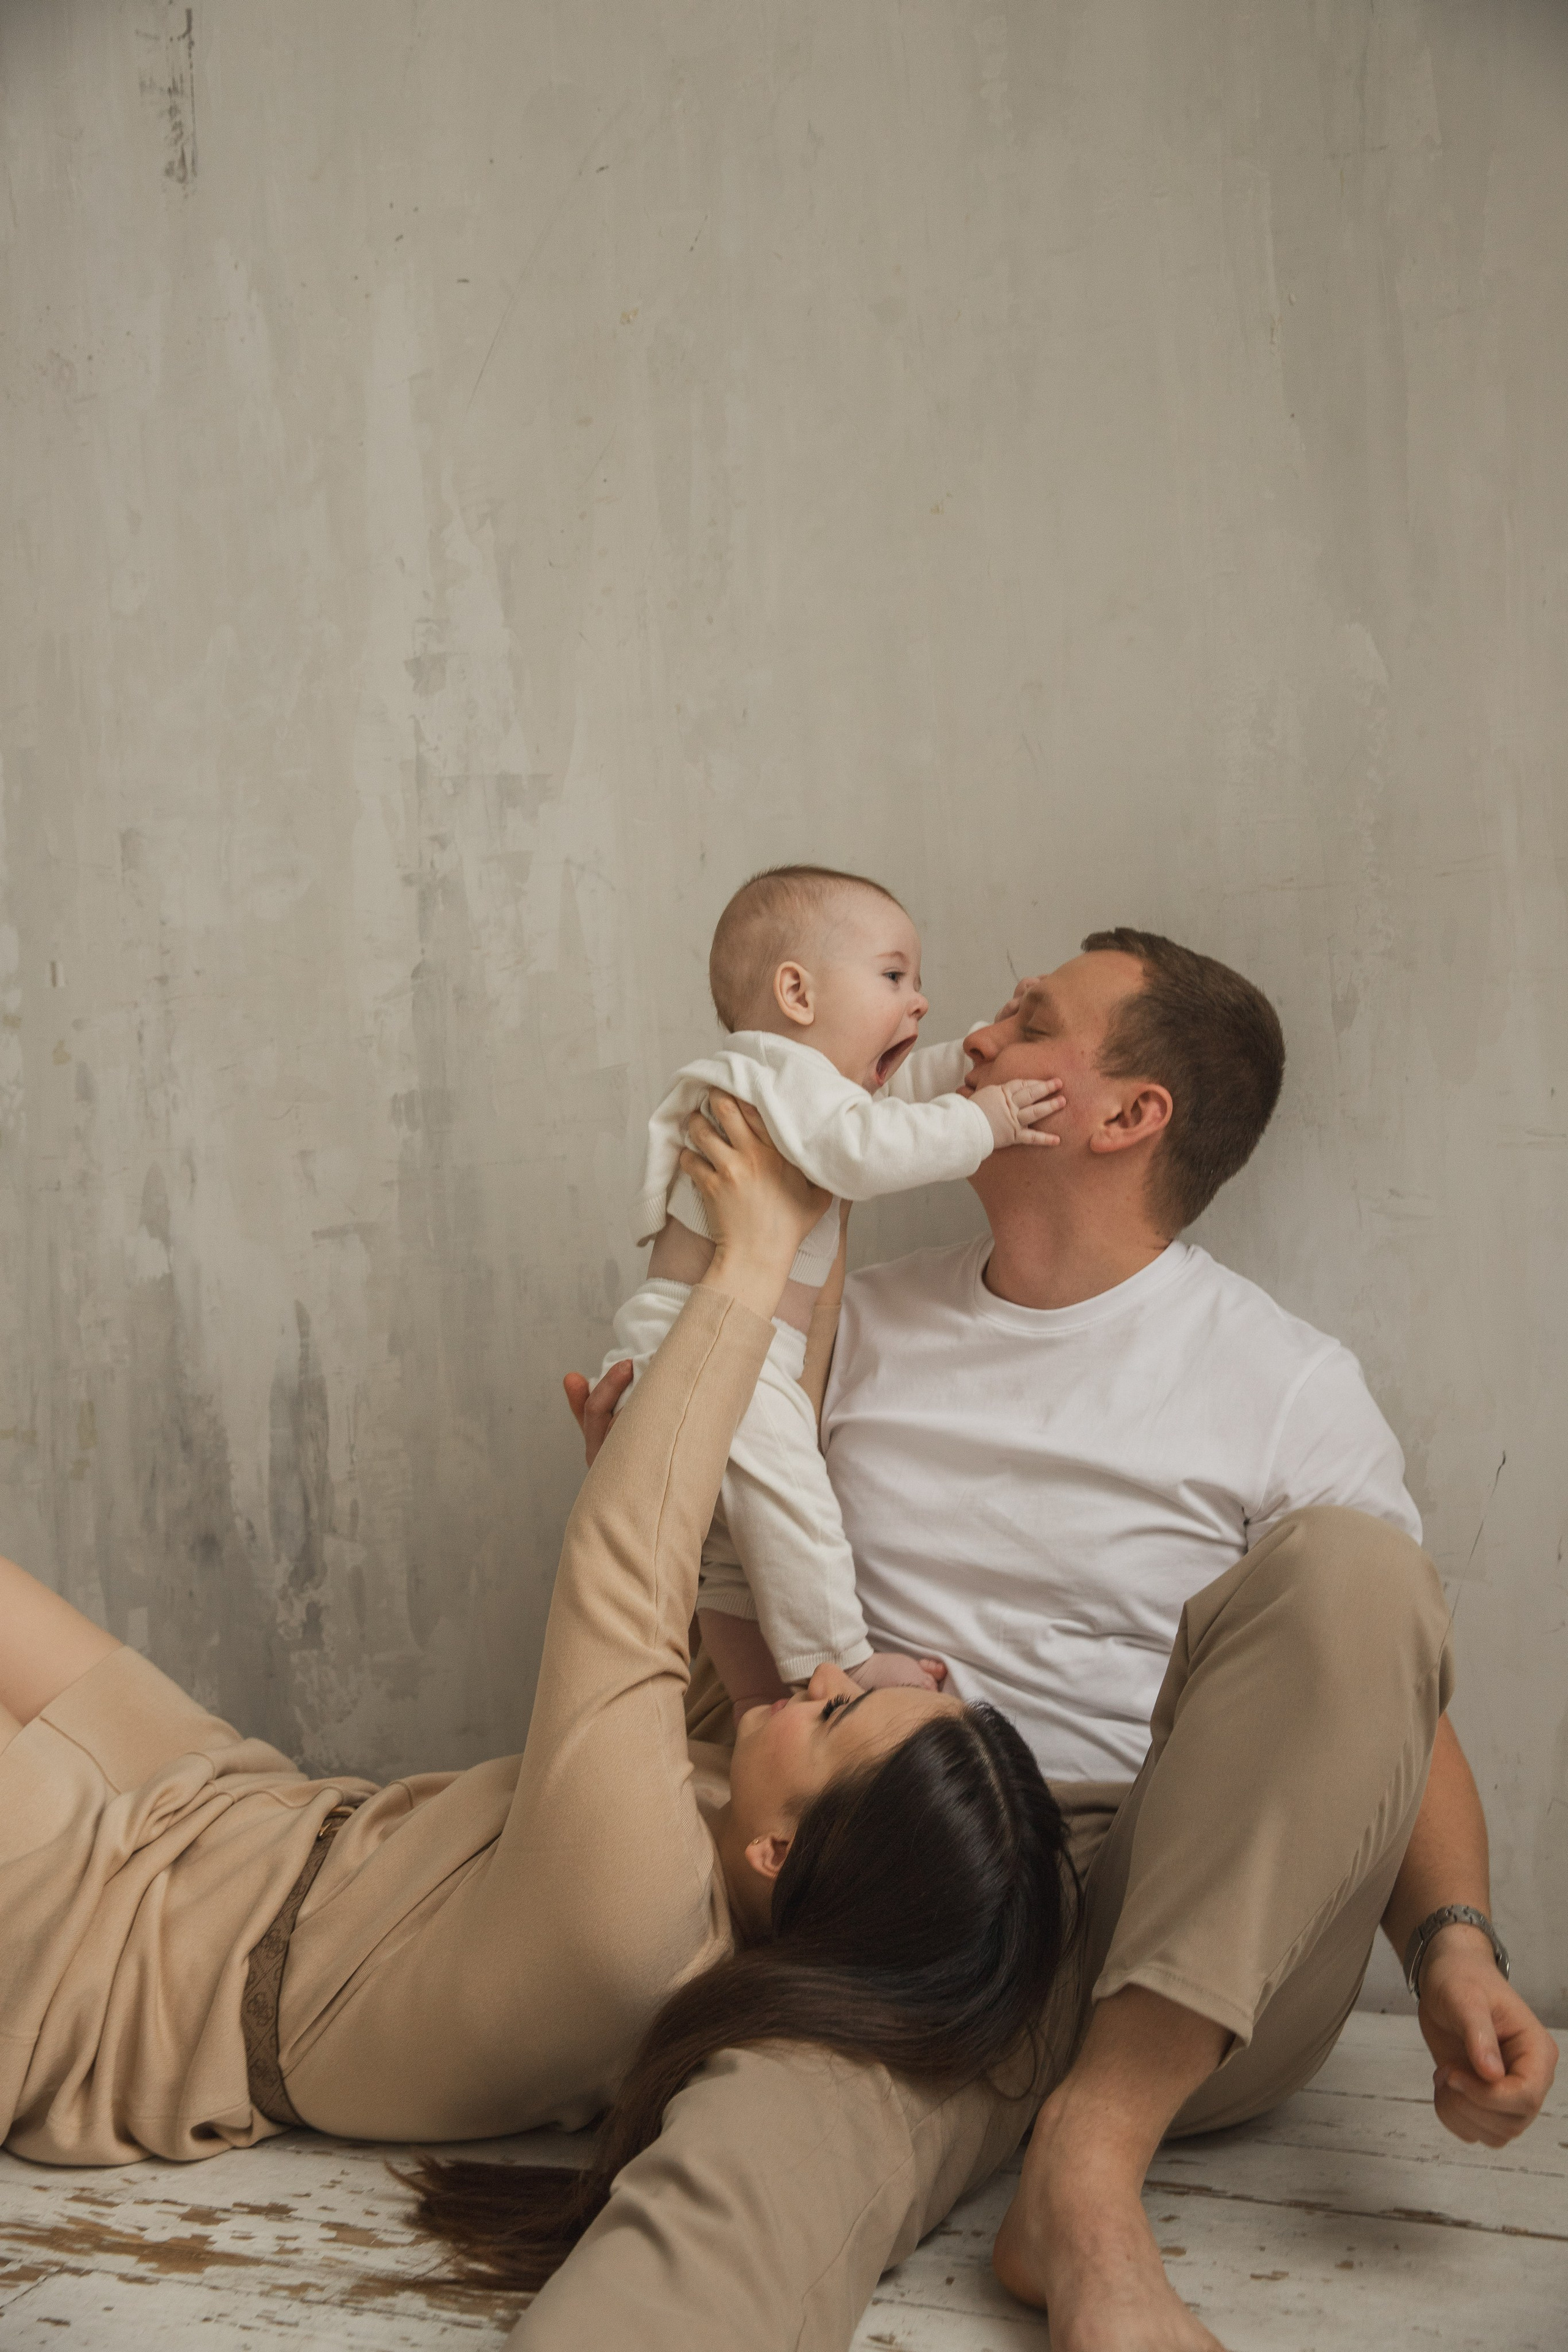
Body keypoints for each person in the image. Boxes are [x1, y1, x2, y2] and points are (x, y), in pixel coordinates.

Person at [535, 930, 1558, 2352]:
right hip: (918, 1906)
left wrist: (1450, 1945)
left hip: (1192, 1931)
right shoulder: (858, 1324)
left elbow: (1376, 1698)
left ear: (1127, 1116)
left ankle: (1087, 2170)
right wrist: (644, 1465)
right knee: (737, 2163)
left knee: (1359, 1576)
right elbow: (747, 1621)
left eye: (1027, 1023)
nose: (974, 1037)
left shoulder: (1282, 1381)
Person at [0, 1098, 1073, 2209]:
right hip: (233, 1821)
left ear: (780, 1855)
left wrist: (750, 1258)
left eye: (842, 1714)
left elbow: (626, 1574)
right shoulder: (731, 1826)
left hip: (119, 1971)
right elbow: (753, 1472)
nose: (834, 1677)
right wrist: (830, 1152)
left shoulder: (640, 1925)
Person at [613, 862, 1062, 1715]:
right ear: (798, 994)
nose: (918, 999)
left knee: (734, 1557)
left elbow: (892, 1101)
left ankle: (758, 1704)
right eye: (894, 976)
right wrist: (987, 1122)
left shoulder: (810, 1089)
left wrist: (968, 1058)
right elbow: (865, 1150)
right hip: (706, 1341)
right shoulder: (779, 1073)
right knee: (795, 1506)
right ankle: (838, 1664)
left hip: (736, 1351)